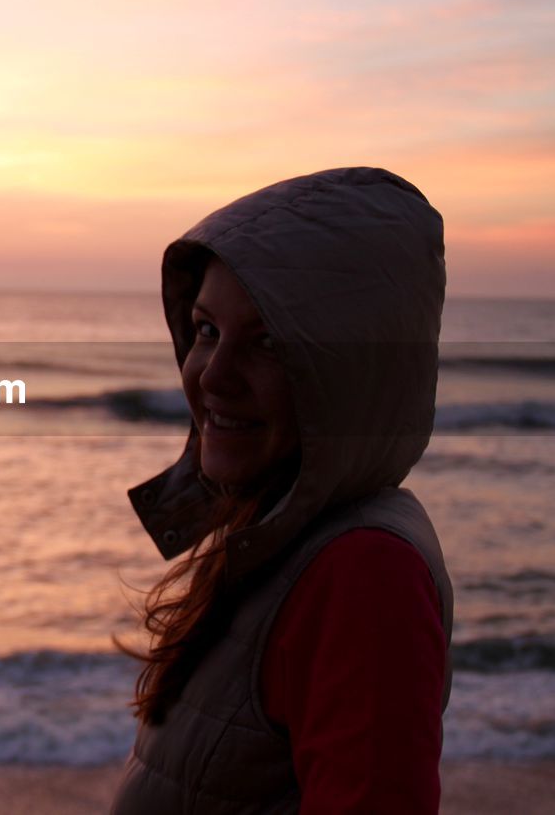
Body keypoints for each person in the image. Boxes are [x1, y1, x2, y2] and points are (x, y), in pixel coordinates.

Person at [109, 166, 454, 814]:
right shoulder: (276, 529)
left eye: (268, 343)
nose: (213, 375)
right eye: (206, 329)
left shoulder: (365, 573)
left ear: (350, 372)